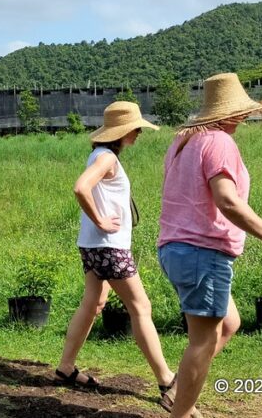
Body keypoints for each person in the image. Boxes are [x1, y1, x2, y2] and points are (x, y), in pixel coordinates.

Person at [158, 73, 262, 418]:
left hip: (176, 248)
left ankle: (180, 391)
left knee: (229, 323)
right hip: (202, 253)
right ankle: (180, 410)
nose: (246, 117)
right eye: (243, 112)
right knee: (202, 343)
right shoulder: (219, 141)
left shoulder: (183, 140)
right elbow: (228, 201)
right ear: (232, 112)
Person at [55, 101, 193, 413]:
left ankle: (66, 366)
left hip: (92, 246)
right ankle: (166, 381)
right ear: (121, 132)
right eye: (136, 128)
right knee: (141, 307)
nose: (140, 133)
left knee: (93, 302)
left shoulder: (100, 154)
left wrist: (97, 224)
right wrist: (101, 221)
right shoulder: (106, 158)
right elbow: (81, 188)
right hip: (109, 246)